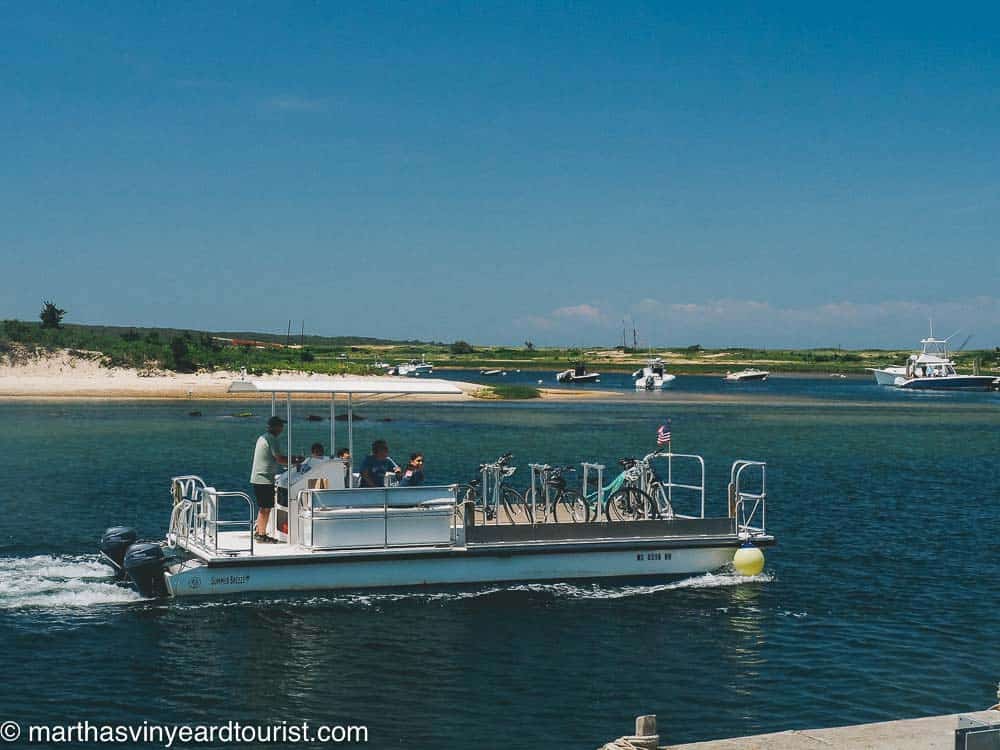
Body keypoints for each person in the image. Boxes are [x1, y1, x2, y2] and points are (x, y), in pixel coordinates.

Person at [249, 416, 299, 543]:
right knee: (266, 507)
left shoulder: (264, 437)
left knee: (263, 506)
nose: (282, 428)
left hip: (259, 477)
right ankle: (261, 534)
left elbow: (277, 459)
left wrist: (291, 460)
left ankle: (259, 531)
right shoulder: (272, 439)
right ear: (276, 427)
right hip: (263, 478)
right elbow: (279, 459)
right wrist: (295, 460)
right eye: (281, 426)